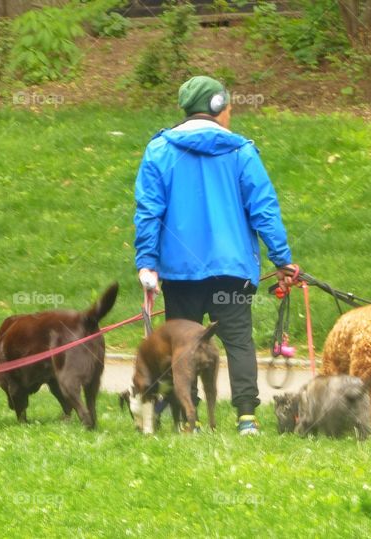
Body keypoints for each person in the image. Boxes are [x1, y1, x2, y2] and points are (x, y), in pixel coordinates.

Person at [133, 75, 299, 435]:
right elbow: (264, 209)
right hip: (232, 270)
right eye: (229, 108)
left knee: (184, 346)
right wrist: (282, 259)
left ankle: (186, 420)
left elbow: (149, 211)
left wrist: (147, 261)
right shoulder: (241, 151)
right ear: (218, 107)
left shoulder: (159, 150)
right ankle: (246, 419)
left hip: (181, 273)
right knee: (238, 340)